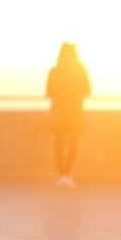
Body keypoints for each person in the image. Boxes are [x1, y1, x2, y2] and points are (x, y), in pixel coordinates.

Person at [46, 42, 91, 188]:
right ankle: (68, 174)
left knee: (59, 145)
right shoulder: (80, 70)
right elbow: (88, 90)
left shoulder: (54, 70)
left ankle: (61, 175)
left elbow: (48, 92)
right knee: (73, 145)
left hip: (58, 113)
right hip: (75, 113)